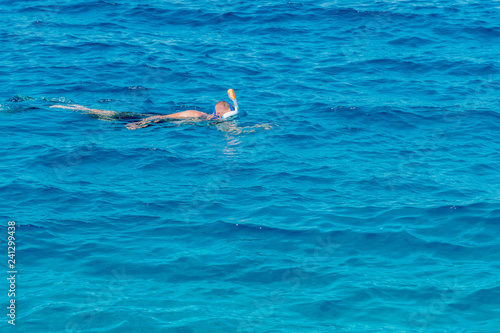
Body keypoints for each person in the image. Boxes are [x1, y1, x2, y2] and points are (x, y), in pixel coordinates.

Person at [50, 90, 238, 130]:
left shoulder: (207, 119)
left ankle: (72, 107)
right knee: (106, 116)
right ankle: (67, 106)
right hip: (153, 118)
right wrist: (140, 123)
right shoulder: (198, 116)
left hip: (153, 120)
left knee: (108, 117)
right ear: (220, 113)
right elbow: (164, 117)